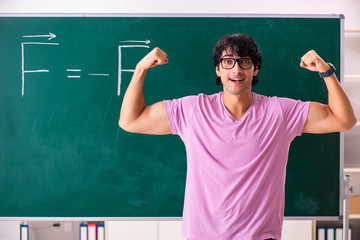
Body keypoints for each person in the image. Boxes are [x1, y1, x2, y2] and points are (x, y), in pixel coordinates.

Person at [118, 34, 356, 240]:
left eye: (244, 62)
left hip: (259, 236)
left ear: (255, 69)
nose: (236, 69)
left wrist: (326, 72)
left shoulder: (280, 112)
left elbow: (344, 120)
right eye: (228, 61)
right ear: (217, 69)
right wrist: (140, 69)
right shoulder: (192, 110)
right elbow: (130, 121)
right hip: (203, 235)